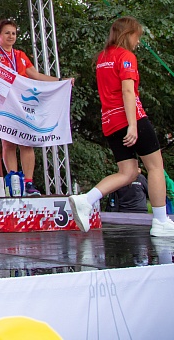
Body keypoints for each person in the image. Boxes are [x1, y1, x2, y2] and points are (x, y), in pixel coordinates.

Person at [69, 16, 174, 236]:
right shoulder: (126, 56)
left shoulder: (103, 57)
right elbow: (127, 91)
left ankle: (86, 200)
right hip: (130, 118)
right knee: (155, 167)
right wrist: (133, 125)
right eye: (137, 36)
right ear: (128, 34)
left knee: (128, 172)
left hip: (110, 122)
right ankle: (161, 221)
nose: (138, 41)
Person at [0, 19, 68, 197]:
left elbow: (35, 75)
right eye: (7, 33)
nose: (11, 36)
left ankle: (28, 183)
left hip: (22, 103)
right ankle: (14, 182)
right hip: (4, 102)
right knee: (8, 142)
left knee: (26, 141)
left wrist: (60, 81)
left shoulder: (20, 55)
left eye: (13, 33)